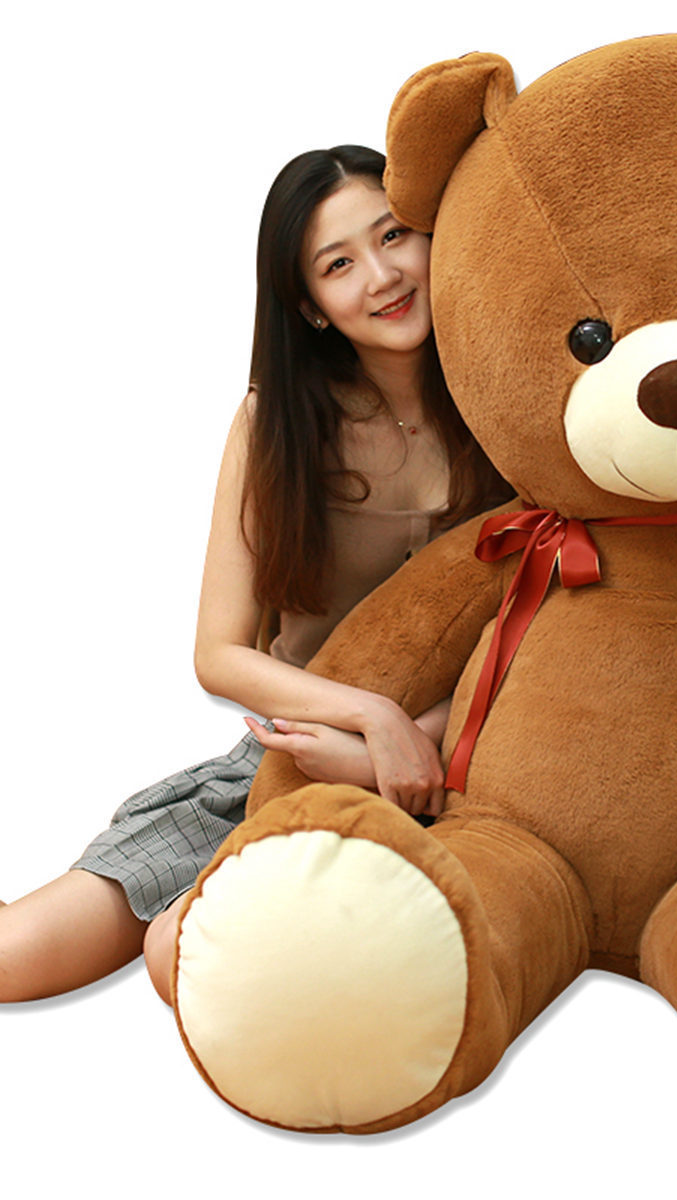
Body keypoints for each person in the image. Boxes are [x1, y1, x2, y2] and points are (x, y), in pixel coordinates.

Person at [0, 145, 512, 1006]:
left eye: (394, 235)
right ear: (309, 306)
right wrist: (372, 720)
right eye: (339, 264)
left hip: (480, 757)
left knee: (186, 954)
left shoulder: (514, 400)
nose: (383, 276)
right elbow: (221, 655)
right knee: (14, 958)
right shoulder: (277, 423)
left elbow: (557, 627)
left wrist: (413, 740)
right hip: (296, 752)